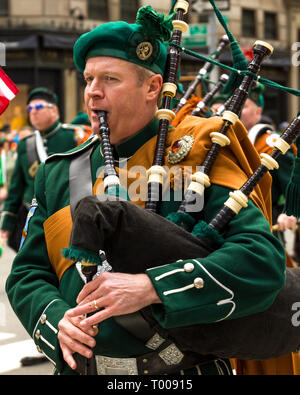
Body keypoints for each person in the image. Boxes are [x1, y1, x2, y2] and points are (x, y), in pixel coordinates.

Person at [5, 6, 285, 376]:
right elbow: (27, 273)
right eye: (88, 79)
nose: (92, 93)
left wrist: (151, 287)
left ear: (153, 87)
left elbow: (260, 261)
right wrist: (59, 323)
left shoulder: (197, 159)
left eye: (109, 79)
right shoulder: (58, 172)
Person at [0, 87, 92, 252]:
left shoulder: (74, 136)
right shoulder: (25, 144)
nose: (33, 112)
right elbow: (16, 187)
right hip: (33, 218)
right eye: (30, 108)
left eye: (39, 107)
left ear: (54, 110)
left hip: (68, 217)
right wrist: (7, 222)